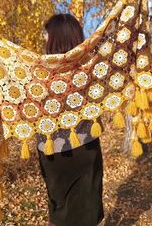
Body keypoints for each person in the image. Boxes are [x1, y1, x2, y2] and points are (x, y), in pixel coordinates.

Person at [35, 14, 104, 226]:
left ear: (56, 37)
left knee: (60, 209)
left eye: (46, 35)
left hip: (52, 150)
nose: (44, 40)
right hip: (86, 146)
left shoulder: (38, 73)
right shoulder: (90, 68)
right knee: (87, 205)